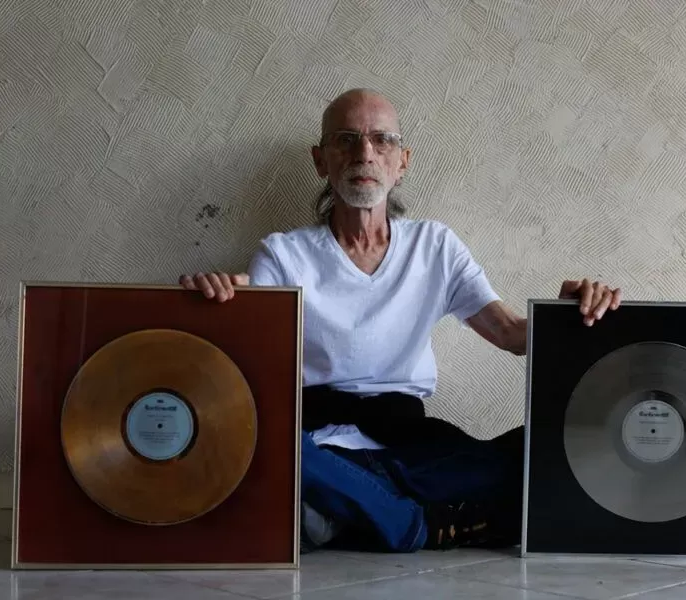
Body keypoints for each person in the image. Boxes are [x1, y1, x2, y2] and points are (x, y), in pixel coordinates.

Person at [179, 88, 622, 553]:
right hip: (318, 442)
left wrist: (569, 315)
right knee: (260, 443)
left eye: (381, 140)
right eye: (346, 139)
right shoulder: (283, 254)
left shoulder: (436, 246)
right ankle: (411, 520)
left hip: (411, 442)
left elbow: (512, 335)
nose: (364, 153)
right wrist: (221, 303)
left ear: (402, 162)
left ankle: (355, 508)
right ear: (321, 161)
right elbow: (245, 349)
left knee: (547, 446)